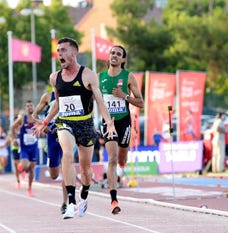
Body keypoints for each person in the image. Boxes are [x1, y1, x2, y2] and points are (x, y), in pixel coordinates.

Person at [33, 37, 116, 219]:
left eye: (63, 50)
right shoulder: (55, 77)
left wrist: (108, 122)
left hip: (85, 124)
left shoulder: (88, 75)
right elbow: (58, 104)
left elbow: (100, 101)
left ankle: (84, 194)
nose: (59, 54)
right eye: (58, 50)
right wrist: (45, 122)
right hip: (65, 122)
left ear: (74, 53)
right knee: (67, 154)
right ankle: (70, 202)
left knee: (86, 171)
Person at [99, 45, 144, 214]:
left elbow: (141, 102)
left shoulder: (128, 77)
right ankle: (113, 199)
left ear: (123, 59)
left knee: (121, 158)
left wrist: (124, 96)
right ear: (108, 56)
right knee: (111, 159)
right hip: (108, 122)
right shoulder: (100, 77)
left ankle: (122, 163)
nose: (115, 56)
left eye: (119, 54)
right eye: (112, 53)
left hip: (124, 121)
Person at [32, 91, 67, 214]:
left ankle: (65, 202)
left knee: (66, 169)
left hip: (66, 132)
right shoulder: (47, 96)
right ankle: (52, 162)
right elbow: (35, 114)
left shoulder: (70, 92)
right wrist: (41, 124)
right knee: (54, 175)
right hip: (51, 136)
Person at [10, 100, 38, 197]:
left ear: (33, 107)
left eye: (31, 105)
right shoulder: (22, 119)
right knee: (26, 166)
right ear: (26, 108)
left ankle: (30, 188)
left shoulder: (36, 118)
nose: (30, 107)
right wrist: (14, 139)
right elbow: (12, 127)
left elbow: (42, 130)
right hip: (24, 148)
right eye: (28, 106)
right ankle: (20, 167)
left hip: (34, 147)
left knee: (32, 168)